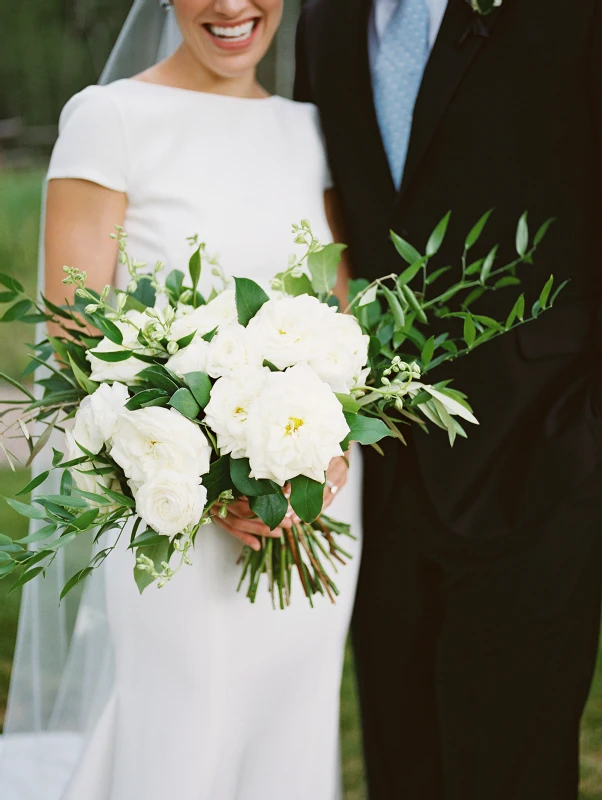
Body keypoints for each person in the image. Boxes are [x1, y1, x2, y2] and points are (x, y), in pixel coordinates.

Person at [0, 1, 362, 799]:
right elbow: (76, 337)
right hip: (167, 502)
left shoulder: (313, 128)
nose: (232, 7)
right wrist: (217, 484)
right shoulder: (111, 119)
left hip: (317, 494)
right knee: (180, 736)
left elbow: (338, 324)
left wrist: (321, 464)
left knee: (291, 732)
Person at [296, 0, 602, 798]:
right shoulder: (325, 20)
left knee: (512, 771)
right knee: (404, 767)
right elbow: (318, 214)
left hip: (543, 453)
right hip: (381, 469)